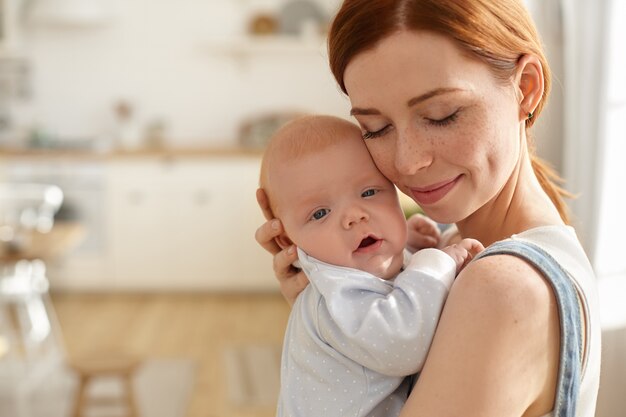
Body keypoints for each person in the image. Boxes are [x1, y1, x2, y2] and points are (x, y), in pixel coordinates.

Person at [255, 0, 601, 416]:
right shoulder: (456, 247)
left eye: (441, 116)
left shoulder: (502, 287)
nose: (406, 162)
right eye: (375, 129)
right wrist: (331, 321)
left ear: (525, 88)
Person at [260, 114, 483, 416]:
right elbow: (402, 343)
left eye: (368, 192)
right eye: (320, 213)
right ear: (288, 241)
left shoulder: (346, 271)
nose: (354, 215)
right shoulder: (336, 298)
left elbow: (383, 281)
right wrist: (435, 262)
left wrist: (405, 247)